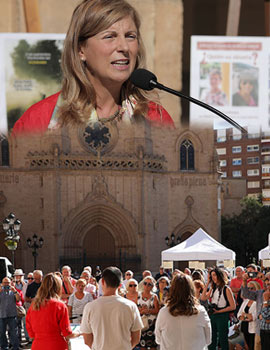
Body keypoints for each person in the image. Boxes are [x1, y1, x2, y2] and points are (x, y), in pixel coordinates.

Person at [12, 0, 174, 136]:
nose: (124, 47)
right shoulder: (40, 119)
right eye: (110, 36)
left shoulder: (155, 118)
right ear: (80, 50)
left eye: (130, 36)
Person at [80, 266, 143, 350]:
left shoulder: (90, 307)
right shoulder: (130, 306)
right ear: (121, 284)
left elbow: (87, 339)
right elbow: (136, 338)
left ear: (102, 282)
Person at [155, 274, 211, 350]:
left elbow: (158, 339)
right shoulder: (201, 311)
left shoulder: (163, 312)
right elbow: (208, 339)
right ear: (191, 289)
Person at [26, 273, 80, 350]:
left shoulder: (34, 305)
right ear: (58, 287)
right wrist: (79, 333)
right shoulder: (59, 306)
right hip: (56, 345)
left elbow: (30, 331)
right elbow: (67, 333)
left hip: (38, 345)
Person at [201, 267, 236, 350]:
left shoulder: (226, 289)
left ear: (219, 276)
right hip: (213, 315)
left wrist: (219, 311)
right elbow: (203, 298)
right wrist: (207, 283)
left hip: (222, 315)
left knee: (223, 339)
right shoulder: (213, 288)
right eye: (211, 276)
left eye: (214, 275)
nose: (213, 277)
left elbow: (233, 306)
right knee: (211, 338)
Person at [241, 271, 270, 350]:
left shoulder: (265, 295)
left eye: (267, 280)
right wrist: (244, 280)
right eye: (265, 280)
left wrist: (266, 301)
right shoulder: (260, 293)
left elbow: (266, 317)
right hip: (259, 329)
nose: (265, 282)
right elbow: (245, 294)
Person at [137, 276, 160, 350]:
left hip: (151, 325)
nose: (146, 285)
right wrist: (141, 311)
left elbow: (157, 311)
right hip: (142, 324)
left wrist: (148, 311)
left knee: (153, 346)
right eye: (145, 283)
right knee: (142, 345)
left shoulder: (154, 296)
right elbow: (134, 309)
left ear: (152, 286)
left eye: (149, 284)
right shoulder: (138, 295)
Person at [237, 281, 260, 350]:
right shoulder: (246, 300)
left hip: (254, 329)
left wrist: (244, 315)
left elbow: (253, 317)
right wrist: (247, 316)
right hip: (244, 328)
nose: (249, 290)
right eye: (248, 288)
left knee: (253, 347)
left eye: (252, 288)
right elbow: (239, 315)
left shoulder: (259, 301)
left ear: (257, 289)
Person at [0, 277, 21, 350]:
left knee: (13, 332)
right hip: (1, 315)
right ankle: (4, 347)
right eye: (5, 283)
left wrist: (15, 291)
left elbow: (18, 299)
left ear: (10, 283)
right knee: (2, 332)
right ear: (2, 283)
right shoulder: (0, 291)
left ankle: (15, 347)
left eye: (8, 283)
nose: (6, 284)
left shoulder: (13, 291)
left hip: (12, 314)